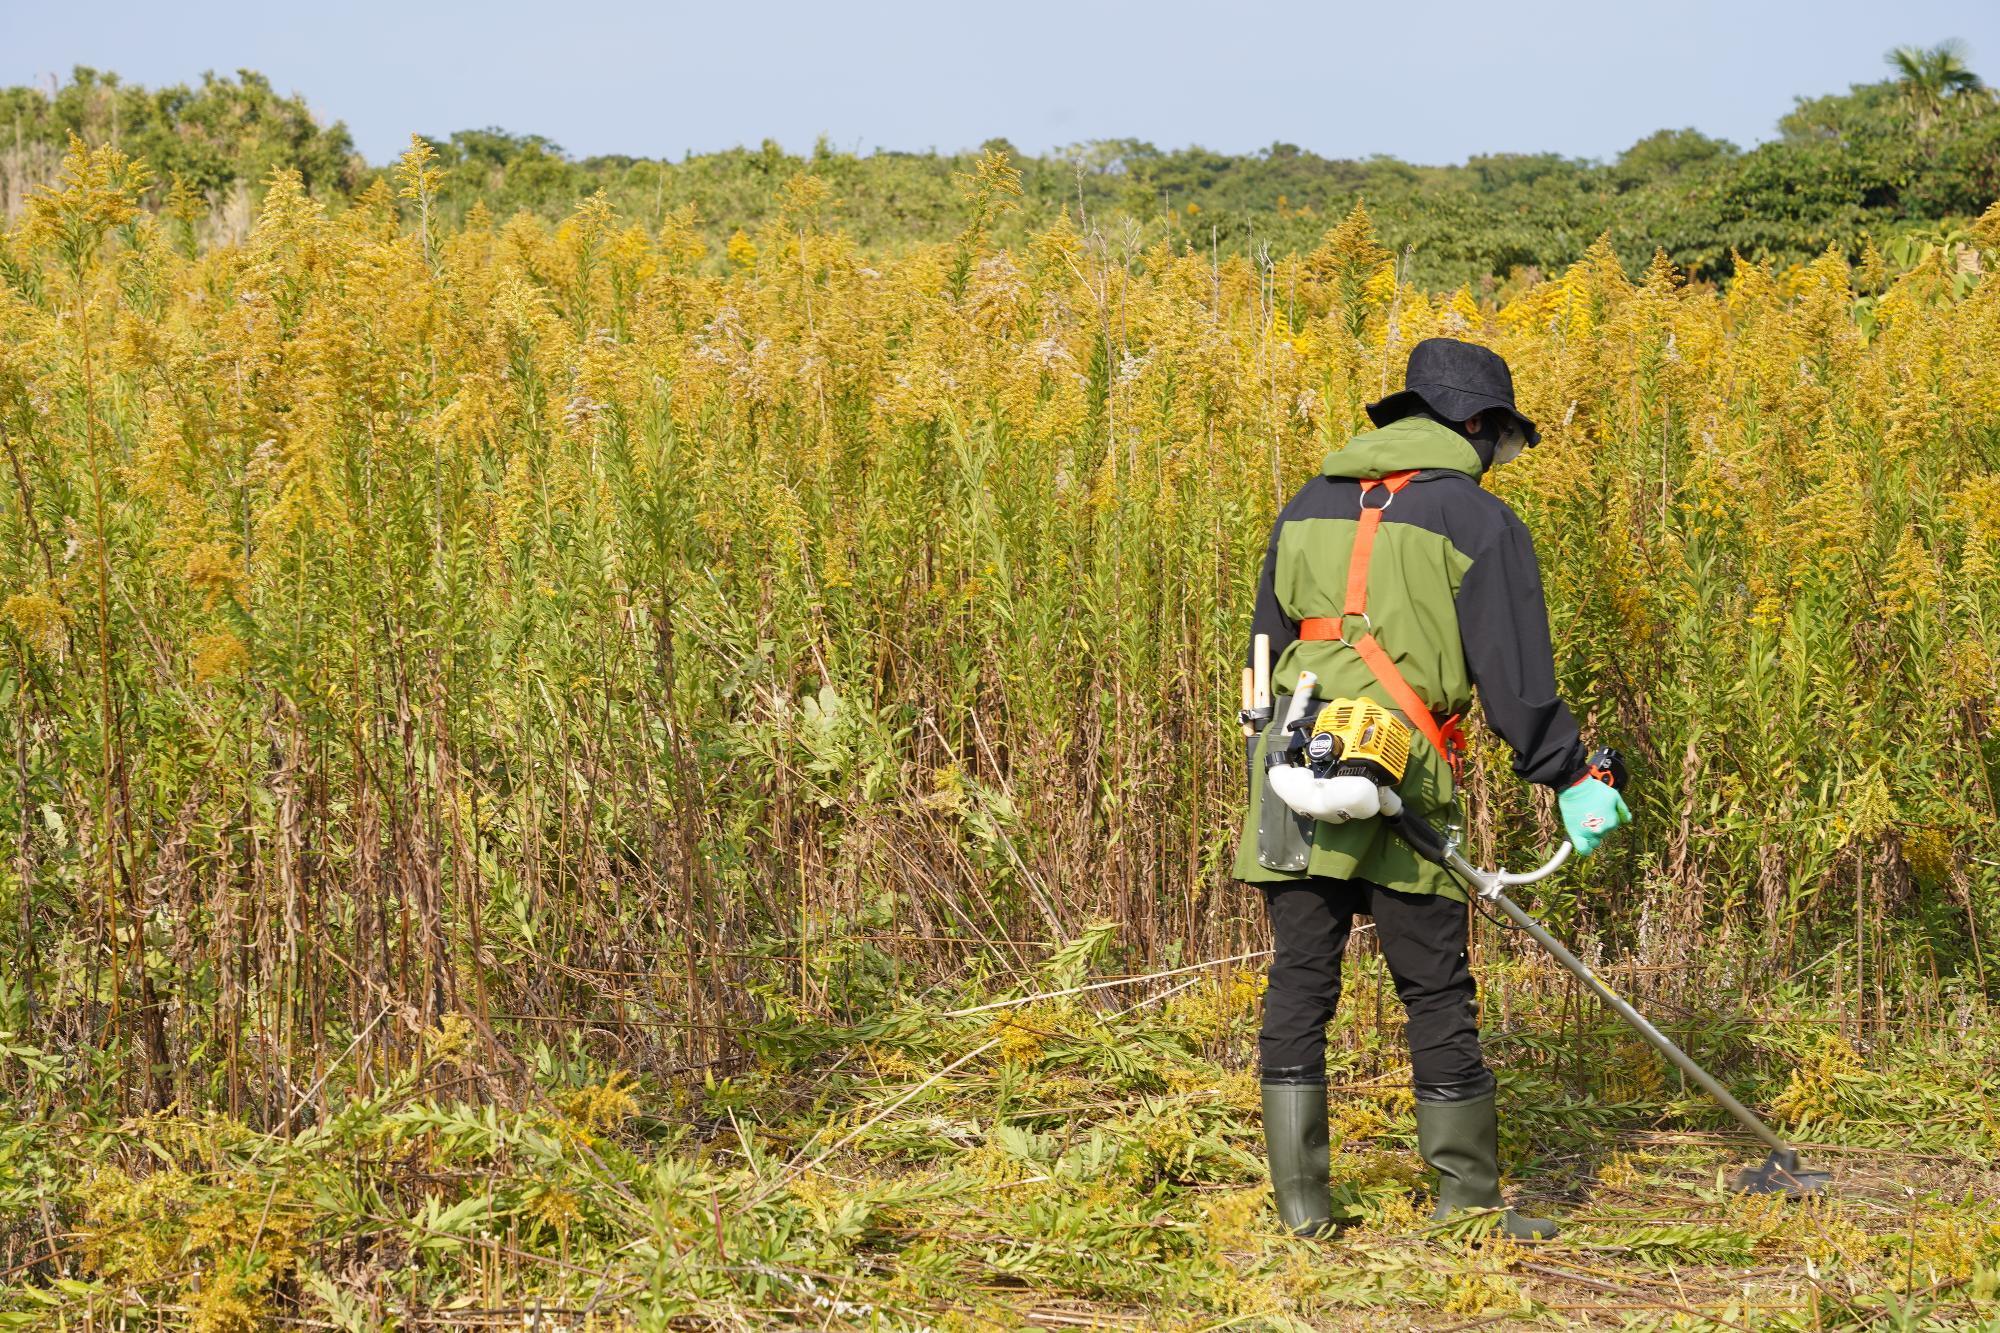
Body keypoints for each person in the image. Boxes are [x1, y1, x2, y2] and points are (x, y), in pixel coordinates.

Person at [1234, 336, 1630, 1239]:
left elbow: (1262, 651)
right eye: (1502, 440)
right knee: (1436, 988)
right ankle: (1467, 1212)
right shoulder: (1478, 522)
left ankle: (1302, 1215)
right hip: (1402, 777)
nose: (1500, 459)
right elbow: (1515, 676)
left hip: (1290, 772)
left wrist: (1272, 752)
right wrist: (1568, 771)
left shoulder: (1302, 504)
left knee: (1299, 982)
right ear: (1478, 425)